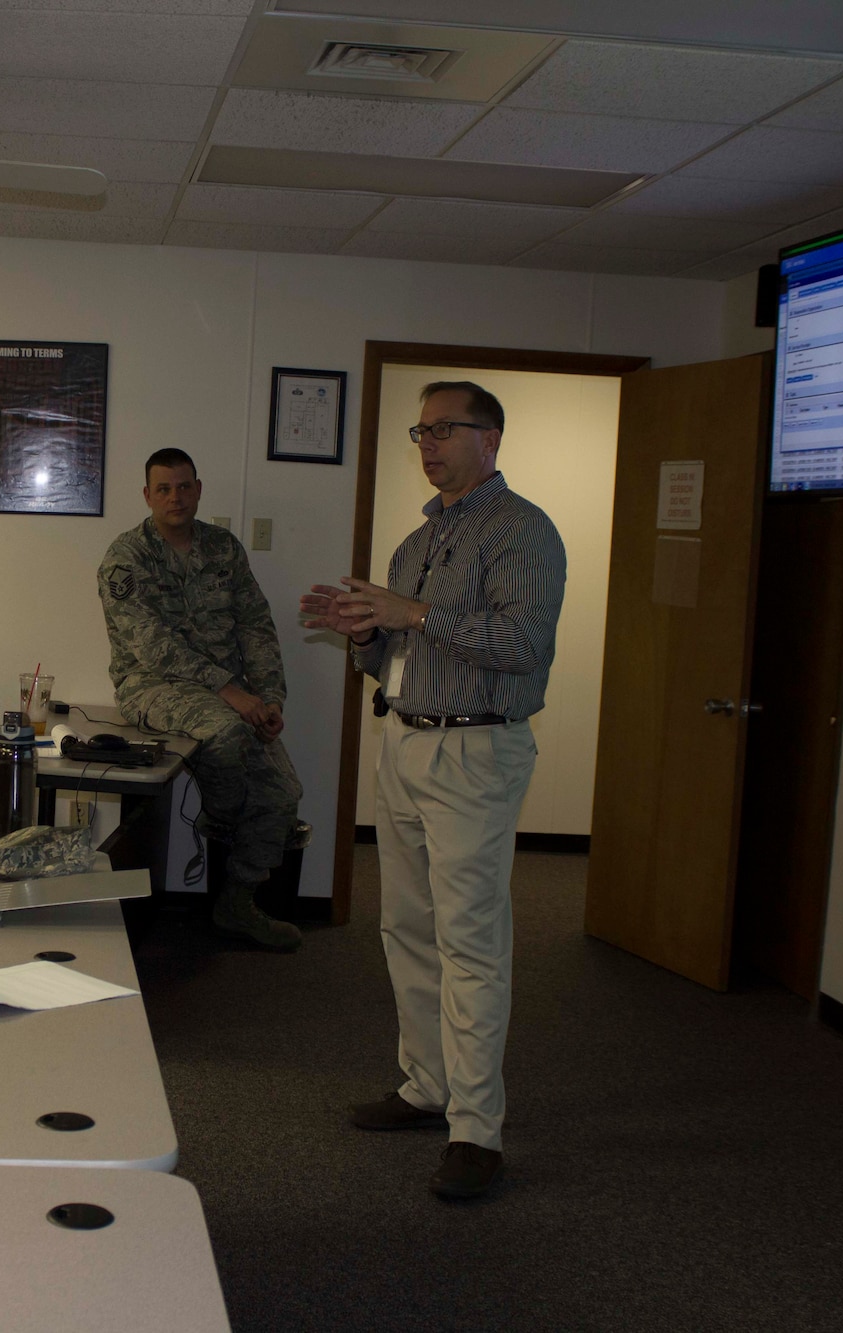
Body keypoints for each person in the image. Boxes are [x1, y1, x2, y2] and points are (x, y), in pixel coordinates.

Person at [299, 381, 566, 1203]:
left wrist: (410, 614)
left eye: (444, 428)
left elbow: (522, 644)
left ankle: (477, 1126)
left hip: (476, 750)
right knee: (406, 927)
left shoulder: (522, 529)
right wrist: (365, 634)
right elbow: (401, 656)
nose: (427, 441)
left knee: (471, 941)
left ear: (489, 437)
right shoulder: (417, 540)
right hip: (406, 740)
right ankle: (427, 1086)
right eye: (421, 429)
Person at [97, 447, 302, 952]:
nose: (175, 497)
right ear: (147, 495)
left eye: (184, 486)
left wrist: (269, 696)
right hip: (152, 686)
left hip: (231, 692)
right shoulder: (125, 558)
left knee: (282, 793)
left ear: (199, 489)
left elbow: (256, 625)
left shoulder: (224, 549)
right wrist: (232, 693)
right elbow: (151, 645)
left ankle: (237, 904)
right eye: (163, 488)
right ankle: (224, 817)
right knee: (226, 731)